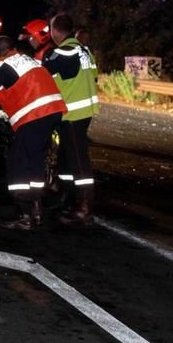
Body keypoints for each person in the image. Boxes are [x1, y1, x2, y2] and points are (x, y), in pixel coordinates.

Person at [0, 36, 67, 229]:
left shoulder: (1, 67)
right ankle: (36, 211)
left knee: (17, 161)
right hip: (53, 112)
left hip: (35, 116)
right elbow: (22, 89)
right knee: (35, 161)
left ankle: (24, 213)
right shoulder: (29, 60)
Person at [44, 13, 99, 225]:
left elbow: (42, 80)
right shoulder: (85, 51)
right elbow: (93, 77)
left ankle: (85, 208)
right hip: (84, 112)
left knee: (78, 162)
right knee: (67, 161)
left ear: (55, 30)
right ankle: (68, 200)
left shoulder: (59, 54)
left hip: (71, 114)